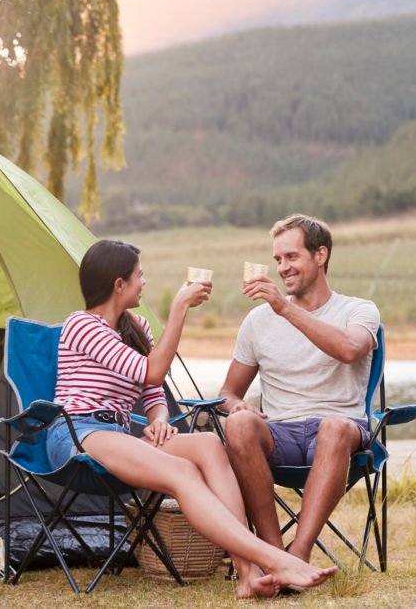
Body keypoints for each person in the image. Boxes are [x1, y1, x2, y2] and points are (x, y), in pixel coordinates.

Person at [45, 239, 335, 599]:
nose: (144, 282)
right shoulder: (81, 325)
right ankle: (276, 560)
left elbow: (152, 393)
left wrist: (161, 417)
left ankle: (247, 575)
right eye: (139, 276)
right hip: (77, 433)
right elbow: (150, 372)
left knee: (209, 445)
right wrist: (180, 308)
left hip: (117, 434)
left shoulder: (137, 328)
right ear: (119, 284)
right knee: (182, 472)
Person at [218, 214, 380, 584]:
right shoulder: (257, 321)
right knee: (240, 425)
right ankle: (274, 556)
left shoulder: (358, 310)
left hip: (341, 433)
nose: (282, 268)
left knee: (335, 427)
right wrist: (236, 406)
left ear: (320, 255)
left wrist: (284, 308)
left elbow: (349, 349)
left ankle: (300, 553)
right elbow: (228, 392)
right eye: (277, 260)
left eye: (291, 257)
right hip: (282, 433)